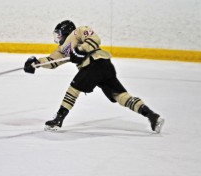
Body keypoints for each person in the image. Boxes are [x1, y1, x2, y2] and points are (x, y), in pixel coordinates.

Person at [24, 20, 165, 133]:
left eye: (59, 34)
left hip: (94, 64)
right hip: (105, 67)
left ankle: (58, 119)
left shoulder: (78, 31)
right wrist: (36, 63)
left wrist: (80, 49)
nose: (58, 38)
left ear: (66, 31)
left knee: (74, 88)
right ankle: (152, 116)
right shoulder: (62, 49)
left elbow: (95, 39)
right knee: (120, 95)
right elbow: (52, 61)